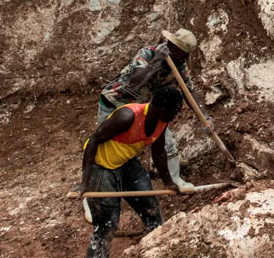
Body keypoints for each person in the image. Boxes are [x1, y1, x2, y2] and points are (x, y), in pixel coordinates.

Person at [71, 86, 184, 258]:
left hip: (125, 161)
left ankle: (158, 250)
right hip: (101, 165)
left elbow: (159, 152)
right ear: (162, 109)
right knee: (107, 222)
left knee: (150, 207)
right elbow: (93, 140)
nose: (176, 117)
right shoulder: (128, 116)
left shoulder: (162, 120)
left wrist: (169, 182)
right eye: (174, 112)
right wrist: (85, 182)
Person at [96, 29, 206, 203]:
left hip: (144, 109)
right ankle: (93, 194)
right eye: (175, 50)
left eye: (183, 56)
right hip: (116, 103)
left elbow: (189, 91)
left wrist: (205, 116)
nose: (180, 57)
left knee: (166, 143)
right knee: (106, 148)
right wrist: (157, 61)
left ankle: (174, 180)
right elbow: (136, 81)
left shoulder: (179, 65)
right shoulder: (148, 54)